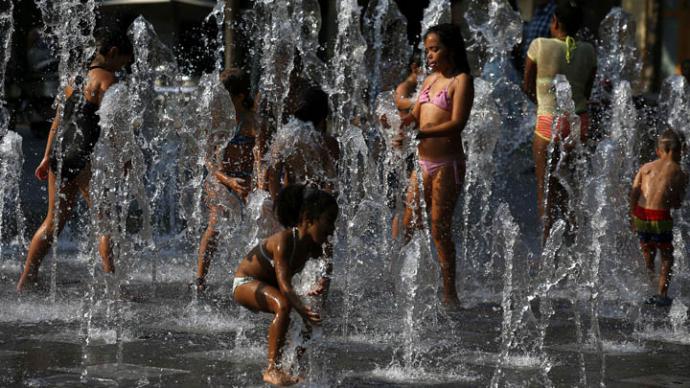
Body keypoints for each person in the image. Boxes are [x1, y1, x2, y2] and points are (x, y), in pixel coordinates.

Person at [17, 27, 133, 292]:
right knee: (106, 221)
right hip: (85, 158)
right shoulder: (110, 83)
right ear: (113, 53)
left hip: (59, 153)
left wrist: (46, 157)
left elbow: (58, 121)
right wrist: (124, 159)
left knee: (53, 221)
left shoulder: (73, 79)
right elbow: (115, 129)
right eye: (122, 62)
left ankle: (27, 278)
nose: (122, 68)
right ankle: (112, 288)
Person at [397, 23, 474, 306]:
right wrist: (399, 124)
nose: (429, 55)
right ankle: (399, 281)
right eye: (427, 49)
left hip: (447, 163)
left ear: (450, 50)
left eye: (435, 49)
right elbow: (416, 113)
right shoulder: (429, 80)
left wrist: (424, 133)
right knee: (409, 221)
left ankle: (449, 292)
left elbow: (458, 123)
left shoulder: (461, 80)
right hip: (422, 161)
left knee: (439, 226)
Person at [232, 184, 338, 386]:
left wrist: (322, 280)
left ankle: (293, 366)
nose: (332, 229)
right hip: (246, 284)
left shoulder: (313, 244)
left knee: (311, 319)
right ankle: (272, 369)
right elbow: (284, 284)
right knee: (284, 305)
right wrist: (300, 307)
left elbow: (327, 261)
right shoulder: (284, 240)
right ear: (308, 219)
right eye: (329, 222)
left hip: (270, 286)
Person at [523, 0, 596, 244]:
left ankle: (547, 251)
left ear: (554, 22)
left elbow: (527, 85)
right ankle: (573, 247)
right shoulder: (588, 51)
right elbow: (586, 90)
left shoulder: (539, 45)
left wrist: (543, 105)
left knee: (546, 191)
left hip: (548, 122)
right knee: (571, 190)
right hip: (578, 124)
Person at [195, 68, 264, 293]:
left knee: (264, 219)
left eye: (224, 96)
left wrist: (255, 185)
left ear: (240, 97)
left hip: (247, 179)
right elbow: (208, 159)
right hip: (220, 179)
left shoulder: (253, 122)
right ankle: (200, 279)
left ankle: (261, 275)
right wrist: (229, 181)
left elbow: (261, 159)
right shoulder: (218, 120)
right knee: (215, 224)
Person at [630, 129, 688, 307]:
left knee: (648, 250)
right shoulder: (680, 172)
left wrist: (631, 216)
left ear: (658, 151)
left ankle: (649, 287)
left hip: (641, 213)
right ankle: (662, 294)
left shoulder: (645, 168)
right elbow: (677, 201)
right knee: (667, 256)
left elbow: (634, 193)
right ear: (680, 151)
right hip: (660, 216)